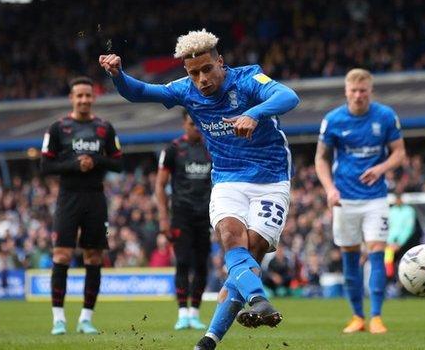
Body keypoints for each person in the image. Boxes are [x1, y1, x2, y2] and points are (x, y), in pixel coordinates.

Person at [99, 28, 299, 350]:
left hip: (271, 179)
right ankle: (258, 301)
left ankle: (208, 340)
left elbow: (289, 97)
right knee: (232, 238)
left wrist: (253, 113)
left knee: (252, 253)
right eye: (194, 73)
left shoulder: (247, 79)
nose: (202, 78)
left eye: (207, 69)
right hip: (228, 179)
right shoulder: (185, 91)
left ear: (220, 62)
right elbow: (139, 93)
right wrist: (118, 75)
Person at [315, 68, 405, 334]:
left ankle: (376, 316)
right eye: (353, 91)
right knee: (350, 258)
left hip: (375, 198)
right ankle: (357, 317)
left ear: (370, 91)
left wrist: (381, 168)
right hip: (344, 199)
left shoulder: (386, 116)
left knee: (377, 251)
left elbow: (399, 153)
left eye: (363, 91)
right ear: (346, 91)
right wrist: (329, 189)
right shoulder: (333, 120)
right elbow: (321, 158)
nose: (358, 96)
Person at [40, 76, 123, 335]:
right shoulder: (57, 128)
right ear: (72, 98)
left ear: (93, 98)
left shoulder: (105, 128)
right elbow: (45, 166)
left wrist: (96, 160)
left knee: (94, 256)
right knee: (62, 255)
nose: (84, 100)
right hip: (68, 198)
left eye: (88, 95)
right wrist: (75, 165)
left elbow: (118, 163)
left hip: (96, 199)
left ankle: (86, 318)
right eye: (79, 96)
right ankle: (58, 319)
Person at [155, 110, 212, 330]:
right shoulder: (173, 150)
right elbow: (160, 185)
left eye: (199, 123)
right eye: (191, 123)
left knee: (201, 264)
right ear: (183, 124)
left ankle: (195, 313)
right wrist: (163, 218)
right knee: (183, 262)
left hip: (205, 215)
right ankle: (182, 313)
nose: (196, 127)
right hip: (181, 215)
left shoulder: (211, 147)